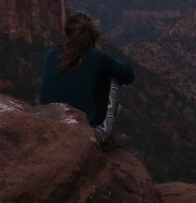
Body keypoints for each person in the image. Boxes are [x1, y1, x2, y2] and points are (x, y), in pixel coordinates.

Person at [38, 11, 135, 149]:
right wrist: (108, 60)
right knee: (112, 78)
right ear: (93, 35)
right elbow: (128, 75)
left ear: (67, 33)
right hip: (86, 134)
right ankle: (107, 136)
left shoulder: (51, 54)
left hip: (49, 127)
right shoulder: (98, 58)